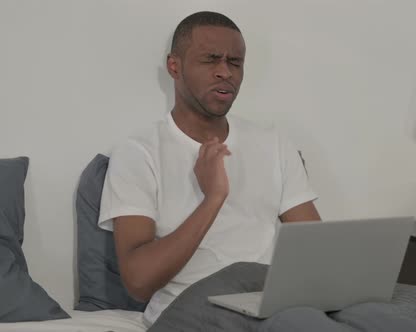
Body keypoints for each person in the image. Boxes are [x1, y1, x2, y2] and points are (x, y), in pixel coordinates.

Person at [98, 11, 321, 325]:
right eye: (210, 60)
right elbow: (138, 280)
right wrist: (213, 198)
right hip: (189, 311)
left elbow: (316, 250)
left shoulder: (274, 143)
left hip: (270, 306)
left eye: (235, 62)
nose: (225, 72)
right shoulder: (138, 154)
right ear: (174, 66)